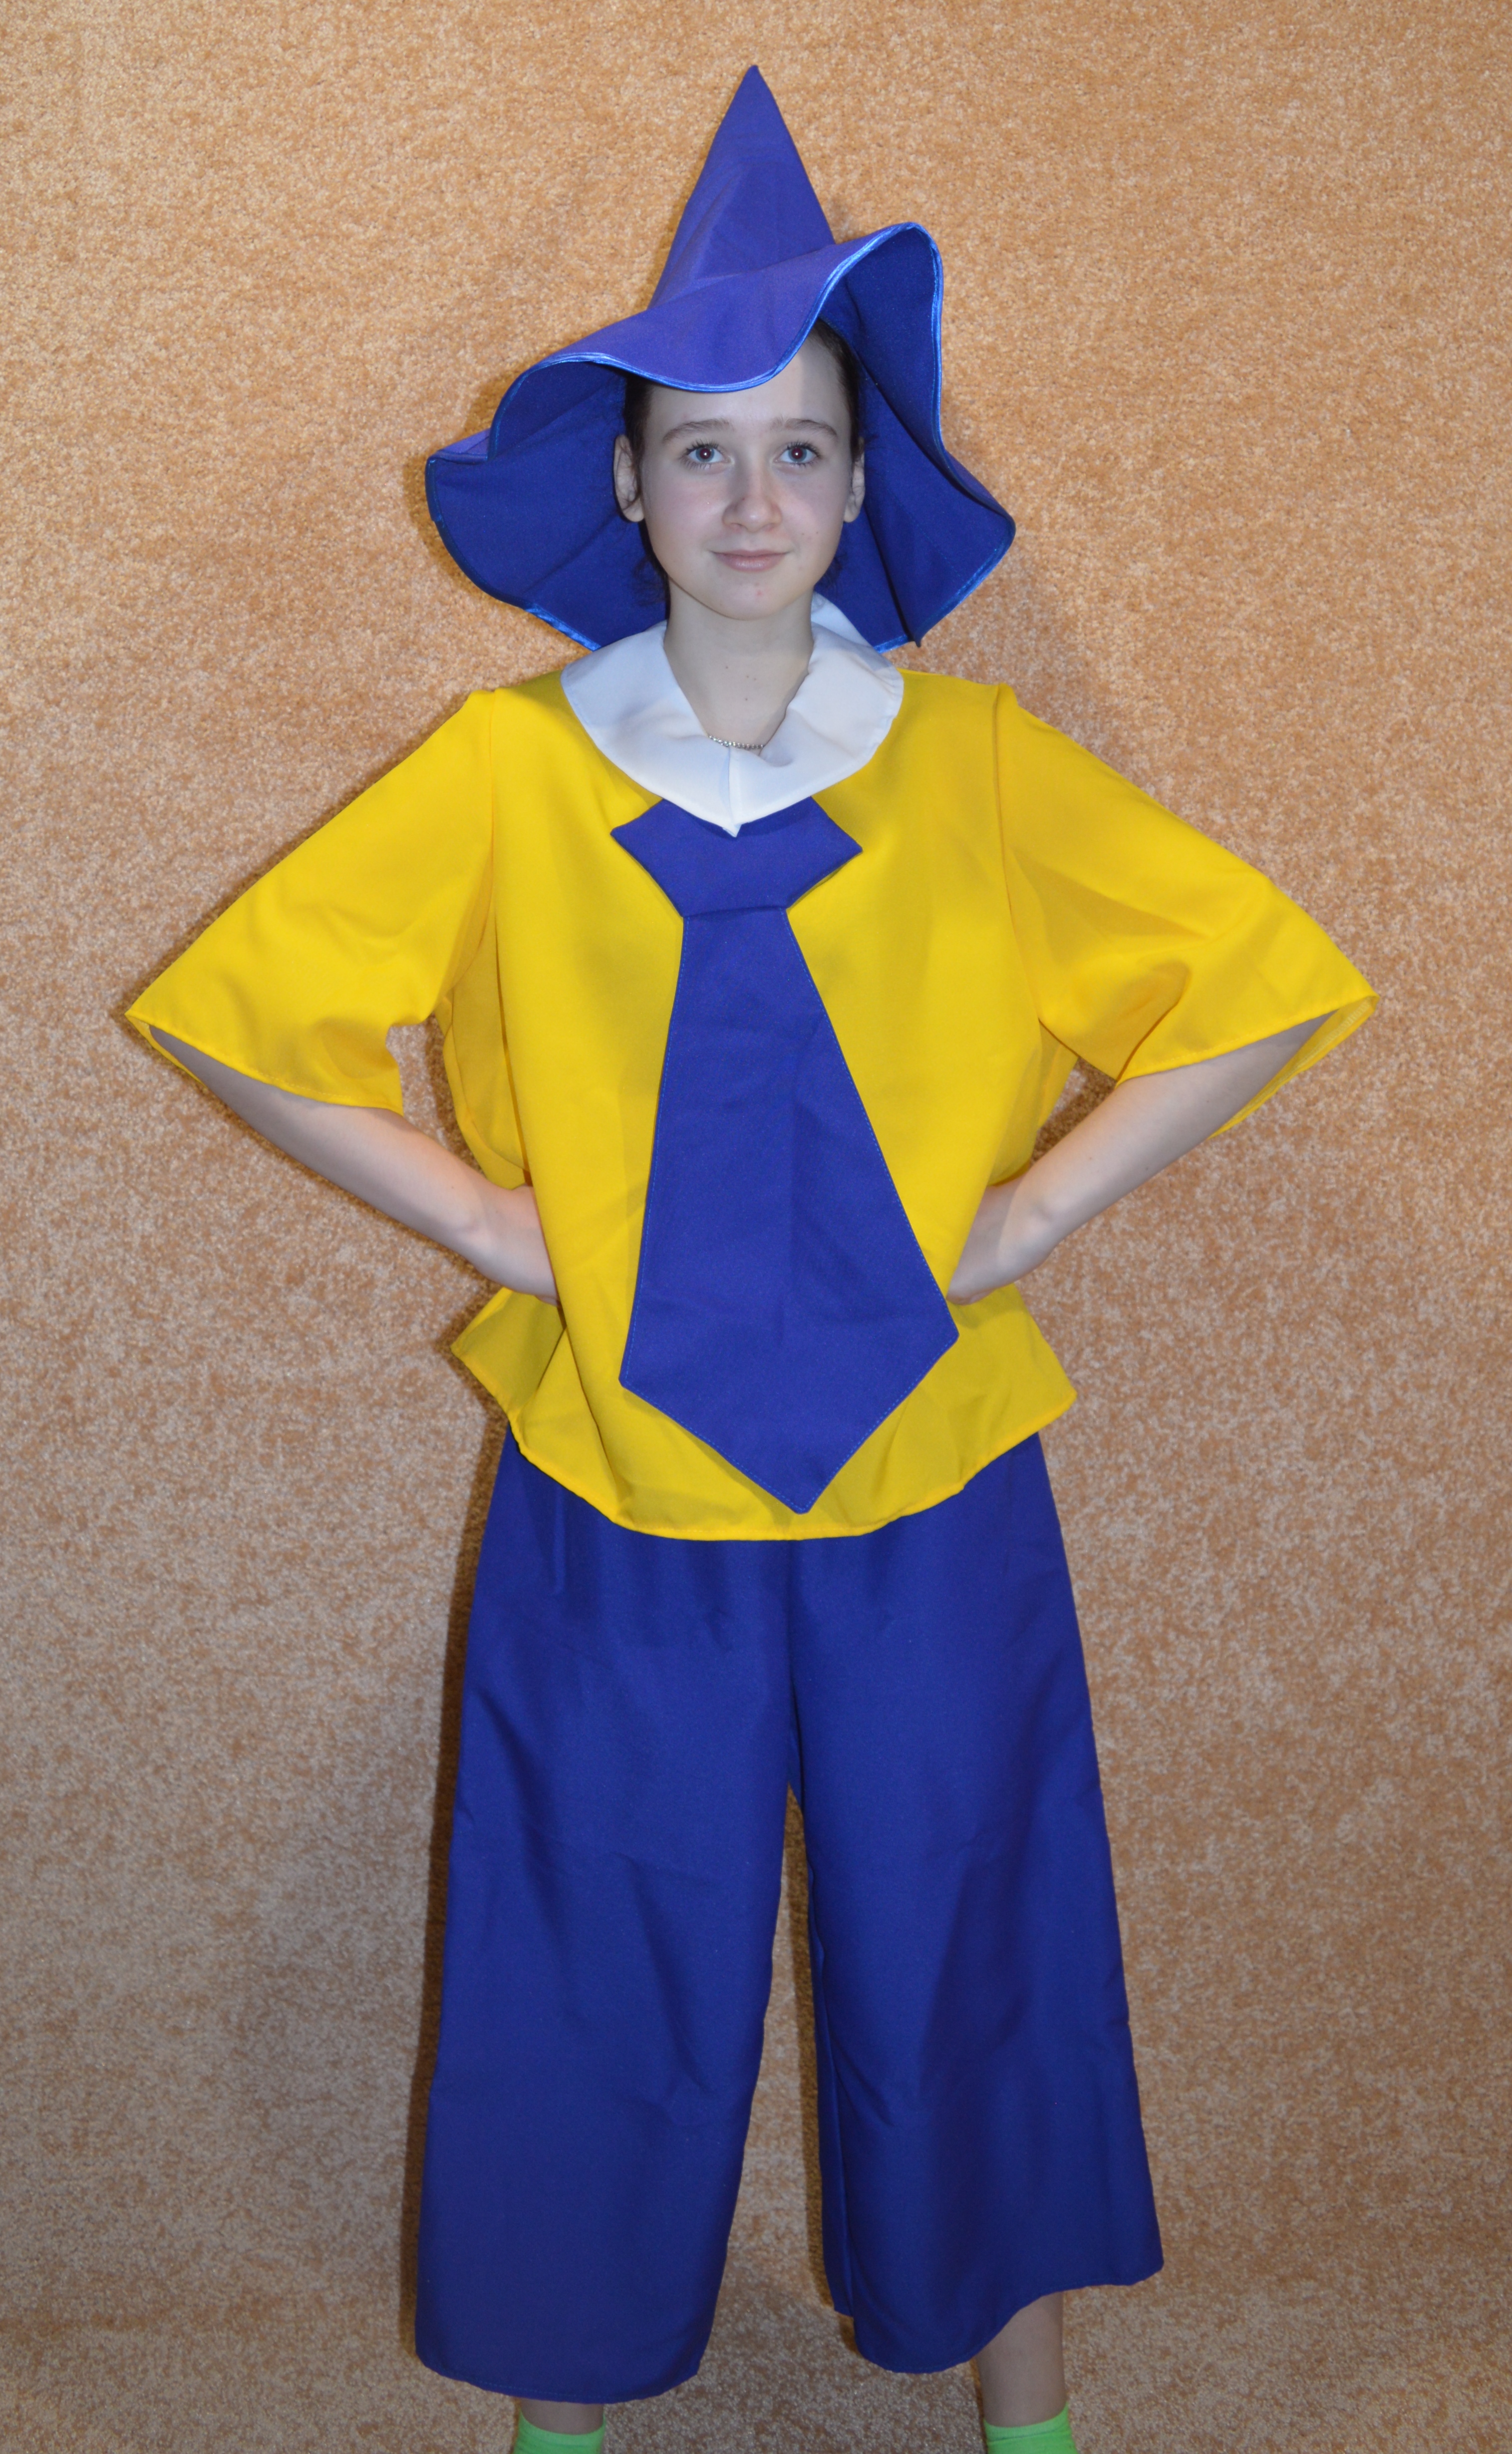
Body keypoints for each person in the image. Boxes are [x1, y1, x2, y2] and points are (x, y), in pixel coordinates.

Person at [127, 68, 1376, 2454]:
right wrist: (484, 1218)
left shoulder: (974, 764)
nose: (747, 496)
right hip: (615, 1470)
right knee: (586, 1925)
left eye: (798, 446)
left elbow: (1257, 978)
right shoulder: (507, 774)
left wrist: (1027, 1214)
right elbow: (237, 1011)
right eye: (697, 448)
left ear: (858, 482)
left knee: (970, 1912)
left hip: (930, 1462)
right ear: (625, 482)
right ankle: (565, 2402)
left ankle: (1024, 2403)